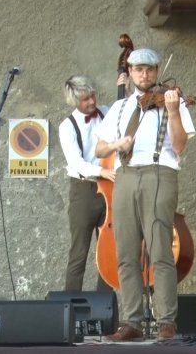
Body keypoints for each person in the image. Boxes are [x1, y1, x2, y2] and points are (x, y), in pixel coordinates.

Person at [95, 48, 195, 342]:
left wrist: (173, 111)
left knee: (160, 247)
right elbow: (99, 149)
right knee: (126, 251)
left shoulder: (171, 102)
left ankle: (166, 321)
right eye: (138, 69)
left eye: (149, 69)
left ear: (156, 71)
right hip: (125, 175)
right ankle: (131, 322)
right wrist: (116, 145)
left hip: (159, 172)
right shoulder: (119, 107)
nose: (144, 74)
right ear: (129, 72)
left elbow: (179, 146)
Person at [58, 75, 116, 291]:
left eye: (92, 96)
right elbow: (76, 162)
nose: (92, 102)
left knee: (108, 252)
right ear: (75, 102)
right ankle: (71, 305)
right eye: (85, 99)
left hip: (110, 188)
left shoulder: (107, 112)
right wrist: (102, 171)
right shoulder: (67, 126)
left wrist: (125, 86)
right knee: (79, 253)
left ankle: (104, 305)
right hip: (84, 190)